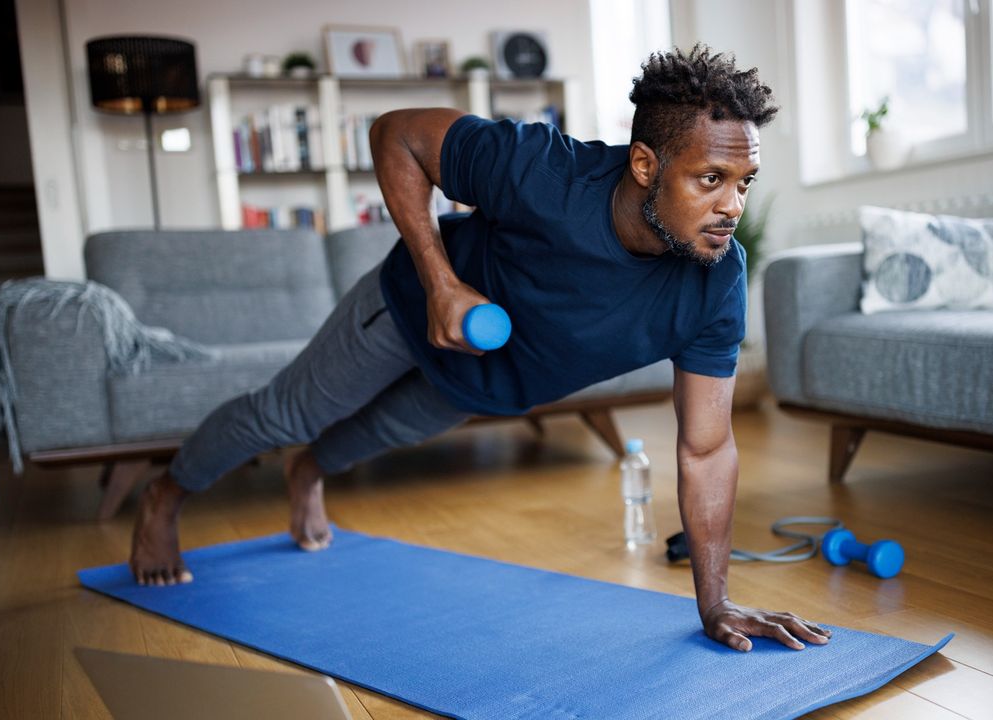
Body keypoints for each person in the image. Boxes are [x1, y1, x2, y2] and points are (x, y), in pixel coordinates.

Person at [129, 45, 831, 654]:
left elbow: (705, 449)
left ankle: (308, 474)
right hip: (407, 312)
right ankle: (164, 496)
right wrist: (439, 283)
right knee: (286, 415)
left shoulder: (717, 277)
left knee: (366, 439)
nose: (732, 205)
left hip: (482, 384)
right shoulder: (543, 172)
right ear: (645, 165)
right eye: (710, 178)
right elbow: (396, 135)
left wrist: (715, 604)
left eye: (744, 183)